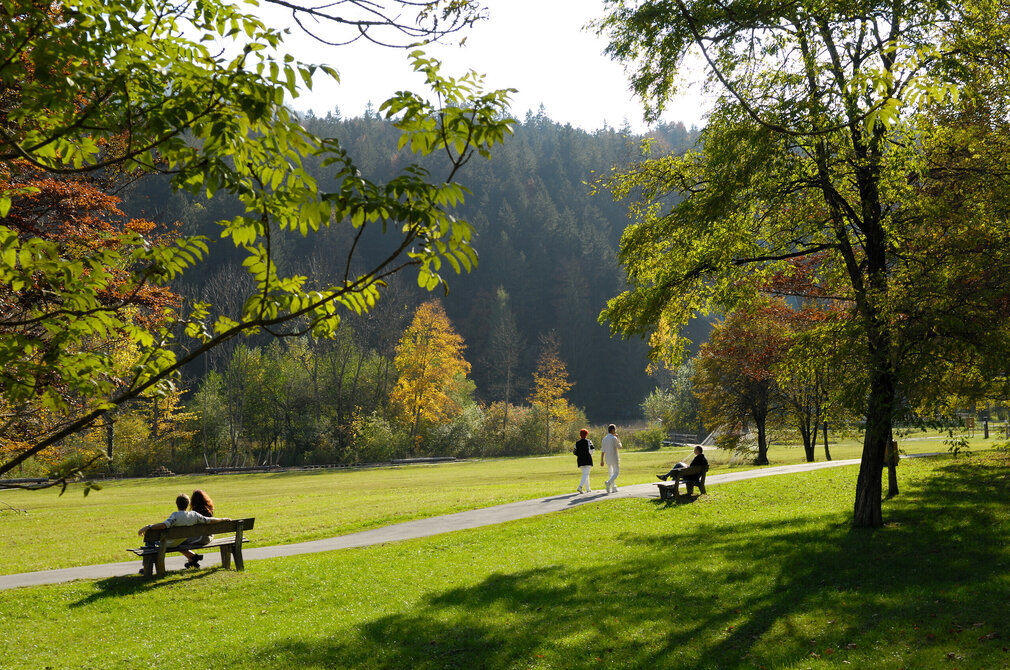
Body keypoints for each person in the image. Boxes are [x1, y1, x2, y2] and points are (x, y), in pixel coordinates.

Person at [138, 493, 230, 570]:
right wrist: (223, 519)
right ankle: (193, 557)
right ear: (188, 503)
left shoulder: (175, 516)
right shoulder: (194, 515)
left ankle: (146, 567)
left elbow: (164, 525)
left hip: (169, 543)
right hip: (180, 541)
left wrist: (148, 527)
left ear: (176, 504)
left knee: (149, 541)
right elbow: (209, 520)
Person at [184, 489, 217, 568]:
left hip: (200, 538)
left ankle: (193, 557)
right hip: (209, 537)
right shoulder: (209, 510)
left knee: (177, 543)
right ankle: (192, 560)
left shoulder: (194, 512)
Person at [600, 424, 621, 493]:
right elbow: (619, 446)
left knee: (610, 473)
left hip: (607, 457)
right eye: (615, 430)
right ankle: (609, 482)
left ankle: (613, 487)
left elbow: (603, 450)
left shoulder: (604, 438)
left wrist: (602, 460)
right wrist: (618, 438)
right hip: (614, 457)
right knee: (616, 472)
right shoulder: (613, 438)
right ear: (612, 430)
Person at [573, 428, 594, 493]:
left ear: (580, 435)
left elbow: (574, 452)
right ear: (586, 435)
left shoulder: (577, 443)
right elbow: (592, 450)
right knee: (586, 474)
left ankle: (588, 489)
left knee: (585, 474)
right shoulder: (589, 441)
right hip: (587, 460)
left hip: (580, 461)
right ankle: (580, 487)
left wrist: (580, 455)